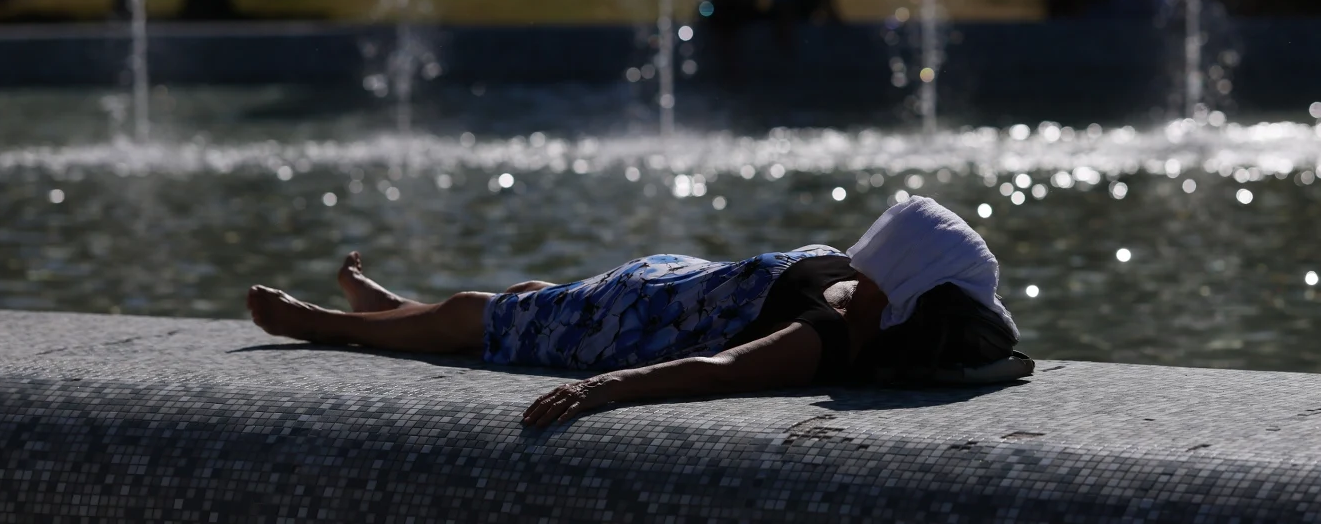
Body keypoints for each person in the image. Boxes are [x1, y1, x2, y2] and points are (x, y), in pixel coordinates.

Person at [247, 196, 1030, 427]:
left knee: (486, 314)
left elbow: (719, 371)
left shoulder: (828, 337)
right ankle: (391, 309)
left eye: (877, 268)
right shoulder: (860, 295)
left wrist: (602, 392)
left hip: (640, 324)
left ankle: (330, 324)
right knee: (522, 302)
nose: (861, 269)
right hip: (661, 284)